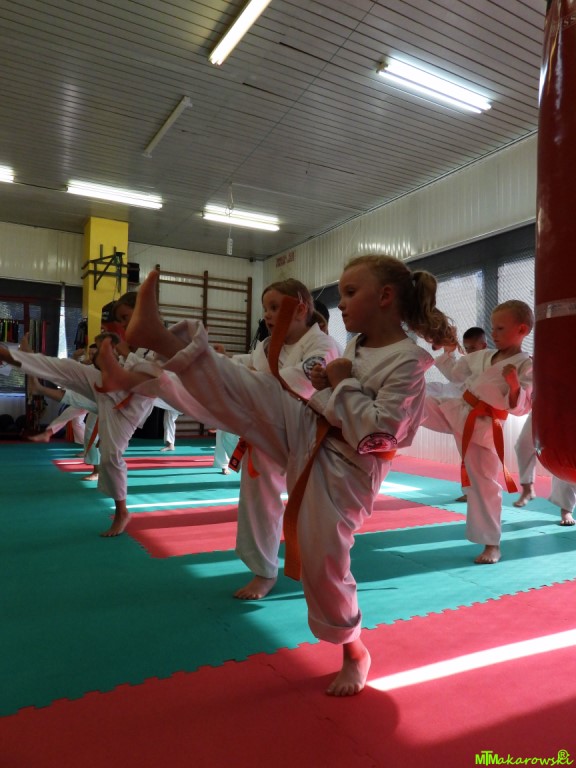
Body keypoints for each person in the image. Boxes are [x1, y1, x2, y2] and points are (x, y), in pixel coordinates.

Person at [93, 256, 457, 696]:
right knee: (251, 391)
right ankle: (162, 342)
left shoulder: (408, 362)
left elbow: (378, 433)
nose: (340, 303)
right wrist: (330, 384)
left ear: (385, 297)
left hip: (349, 465)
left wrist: (340, 382)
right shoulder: (358, 347)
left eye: (350, 292)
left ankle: (354, 650)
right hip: (312, 428)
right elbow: (333, 396)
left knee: (323, 560)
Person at [0, 332, 156, 537]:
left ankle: (121, 512)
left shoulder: (153, 349)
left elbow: (154, 378)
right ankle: (21, 360)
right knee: (68, 369)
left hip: (130, 404)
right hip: (108, 385)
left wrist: (125, 353)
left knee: (110, 456)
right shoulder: (119, 345)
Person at [423, 301, 533, 564]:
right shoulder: (484, 356)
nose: (494, 333)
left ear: (522, 330)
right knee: (414, 397)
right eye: (493, 327)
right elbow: (456, 374)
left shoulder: (525, 365)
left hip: (483, 427)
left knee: (484, 484)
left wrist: (514, 385)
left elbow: (522, 407)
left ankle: (492, 545)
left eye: (500, 328)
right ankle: (375, 427)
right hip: (456, 408)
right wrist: (449, 349)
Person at [114, 291, 182, 452]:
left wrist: (126, 355)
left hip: (179, 392)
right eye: (120, 320)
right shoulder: (139, 342)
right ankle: (170, 443)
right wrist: (120, 358)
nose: (122, 324)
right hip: (159, 394)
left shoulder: (165, 337)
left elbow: (156, 373)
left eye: (125, 317)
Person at [433, 326, 488, 502]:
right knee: (466, 453)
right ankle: (470, 491)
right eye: (467, 348)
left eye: (473, 348)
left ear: (483, 345)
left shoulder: (490, 360)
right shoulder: (467, 362)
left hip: (484, 416)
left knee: (479, 456)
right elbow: (455, 374)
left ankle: (479, 492)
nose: (469, 351)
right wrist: (449, 352)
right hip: (463, 411)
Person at [512, 411, 537, 507]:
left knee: (566, 455)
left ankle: (566, 509)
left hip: (568, 410)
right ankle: (527, 489)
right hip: (541, 407)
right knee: (523, 446)